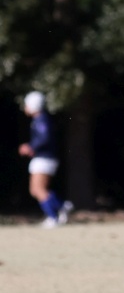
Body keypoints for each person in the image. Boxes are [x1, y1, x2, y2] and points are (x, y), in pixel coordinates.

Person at [19, 91, 73, 229]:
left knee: (39, 189)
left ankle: (53, 216)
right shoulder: (39, 120)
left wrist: (31, 147)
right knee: (35, 190)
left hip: (44, 158)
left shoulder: (41, 120)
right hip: (42, 158)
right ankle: (61, 206)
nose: (25, 107)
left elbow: (45, 138)